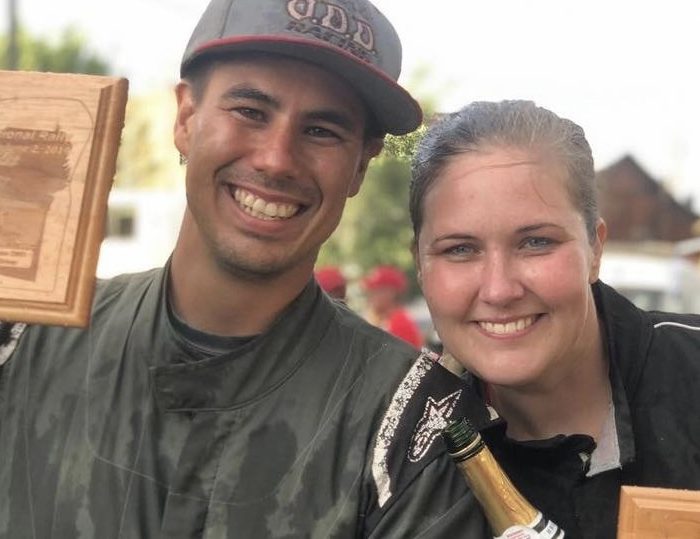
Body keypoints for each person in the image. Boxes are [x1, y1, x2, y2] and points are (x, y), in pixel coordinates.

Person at [0, 1, 497, 537]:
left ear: (360, 164)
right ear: (186, 118)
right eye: (250, 112)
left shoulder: (416, 427)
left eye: (321, 131)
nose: (276, 159)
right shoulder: (25, 340)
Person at [410, 99, 700, 538]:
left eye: (536, 242)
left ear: (595, 249)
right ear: (419, 265)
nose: (499, 290)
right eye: (460, 249)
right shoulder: (400, 454)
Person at [363, 264, 424, 348]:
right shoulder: (386, 319)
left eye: (375, 291)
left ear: (391, 293)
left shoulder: (399, 323)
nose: (370, 296)